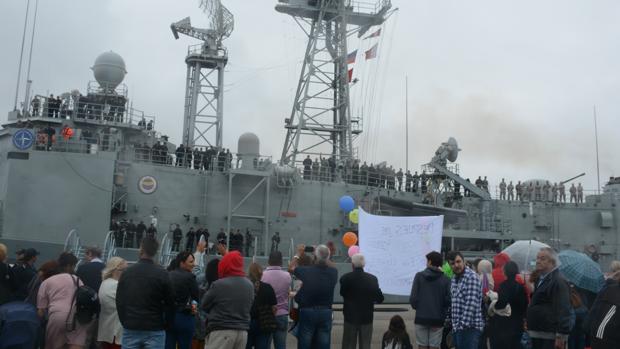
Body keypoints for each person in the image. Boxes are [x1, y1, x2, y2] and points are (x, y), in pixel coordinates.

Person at [116, 237, 175, 349]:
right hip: (155, 327)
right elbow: (170, 304)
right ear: (155, 251)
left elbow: (120, 301)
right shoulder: (163, 273)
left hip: (131, 326)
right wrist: (166, 324)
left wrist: (125, 321)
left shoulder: (127, 273)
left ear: (141, 249)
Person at [201, 250, 254, 349]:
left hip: (221, 330)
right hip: (242, 332)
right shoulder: (249, 285)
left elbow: (204, 305)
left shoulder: (219, 284)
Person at [37, 252, 91, 349]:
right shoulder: (77, 280)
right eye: (74, 266)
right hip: (77, 317)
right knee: (76, 344)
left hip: (57, 317)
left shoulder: (47, 282)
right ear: (69, 266)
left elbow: (41, 311)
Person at [289, 244, 338, 349]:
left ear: (315, 256)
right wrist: (323, 255)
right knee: (324, 343)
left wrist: (298, 254)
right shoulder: (333, 272)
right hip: (326, 311)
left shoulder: (306, 271)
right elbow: (333, 266)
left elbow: (291, 268)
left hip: (308, 311)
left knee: (305, 342)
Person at [526, 247, 571, 349]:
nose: (538, 261)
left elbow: (564, 308)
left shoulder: (558, 281)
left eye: (542, 259)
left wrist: (561, 335)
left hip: (549, 335)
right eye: (537, 258)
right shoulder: (540, 279)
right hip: (538, 332)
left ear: (552, 262)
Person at [340, 253, 384, 349]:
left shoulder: (345, 278)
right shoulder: (372, 279)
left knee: (348, 345)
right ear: (364, 265)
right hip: (366, 317)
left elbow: (342, 293)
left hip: (350, 317)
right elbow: (380, 298)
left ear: (352, 264)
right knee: (365, 345)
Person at [410, 251, 451, 349]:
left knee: (422, 345)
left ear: (429, 262)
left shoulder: (419, 276)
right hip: (437, 319)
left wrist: (419, 308)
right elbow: (448, 300)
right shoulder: (446, 279)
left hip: (421, 317)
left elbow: (413, 299)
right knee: (434, 346)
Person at [446, 251, 484, 349]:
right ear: (449, 265)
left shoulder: (471, 277)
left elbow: (470, 306)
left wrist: (460, 327)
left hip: (469, 329)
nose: (456, 265)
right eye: (453, 263)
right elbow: (454, 302)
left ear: (464, 261)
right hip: (457, 328)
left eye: (458, 262)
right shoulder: (454, 278)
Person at [487, 261, 528, 349]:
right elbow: (525, 305)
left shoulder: (504, 286)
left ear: (505, 272)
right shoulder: (521, 287)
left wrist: (493, 304)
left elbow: (501, 304)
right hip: (517, 324)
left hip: (503, 325)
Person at [166, 251, 200, 349]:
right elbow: (195, 299)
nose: (193, 264)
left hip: (168, 317)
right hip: (185, 317)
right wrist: (194, 311)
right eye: (191, 262)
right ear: (182, 263)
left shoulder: (168, 274)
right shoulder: (190, 277)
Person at [261, 251, 291, 349]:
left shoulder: (263, 275)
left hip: (267, 315)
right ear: (281, 261)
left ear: (269, 261)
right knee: (281, 346)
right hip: (282, 313)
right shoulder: (287, 276)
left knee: (265, 345)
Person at [97, 257, 127, 349]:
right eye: (123, 270)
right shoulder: (115, 285)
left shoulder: (105, 283)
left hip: (108, 329)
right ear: (114, 270)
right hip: (115, 331)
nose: (126, 272)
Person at [246, 262, 277, 349]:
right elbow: (274, 308)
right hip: (264, 323)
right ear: (261, 274)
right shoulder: (268, 287)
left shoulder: (245, 287)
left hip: (247, 322)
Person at [584, 276, 620, 349]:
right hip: (606, 340)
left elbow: (590, 318)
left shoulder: (608, 289)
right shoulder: (610, 290)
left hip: (597, 338)